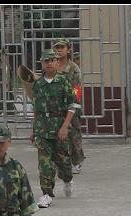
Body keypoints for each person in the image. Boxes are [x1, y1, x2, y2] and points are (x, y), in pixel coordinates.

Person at [29, 48, 80, 208]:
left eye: (52, 60)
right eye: (46, 61)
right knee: (45, 164)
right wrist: (34, 129)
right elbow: (36, 108)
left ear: (58, 62)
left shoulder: (64, 82)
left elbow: (72, 106)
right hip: (43, 128)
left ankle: (67, 179)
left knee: (63, 162)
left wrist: (65, 126)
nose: (49, 63)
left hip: (59, 128)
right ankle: (47, 194)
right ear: (42, 63)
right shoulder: (37, 84)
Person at [54, 38, 86, 174]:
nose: (59, 50)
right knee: (56, 135)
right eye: (57, 48)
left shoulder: (73, 69)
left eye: (62, 47)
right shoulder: (52, 66)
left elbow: (76, 91)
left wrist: (69, 104)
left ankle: (77, 161)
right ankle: (58, 161)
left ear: (68, 50)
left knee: (73, 136)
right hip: (55, 108)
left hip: (71, 108)